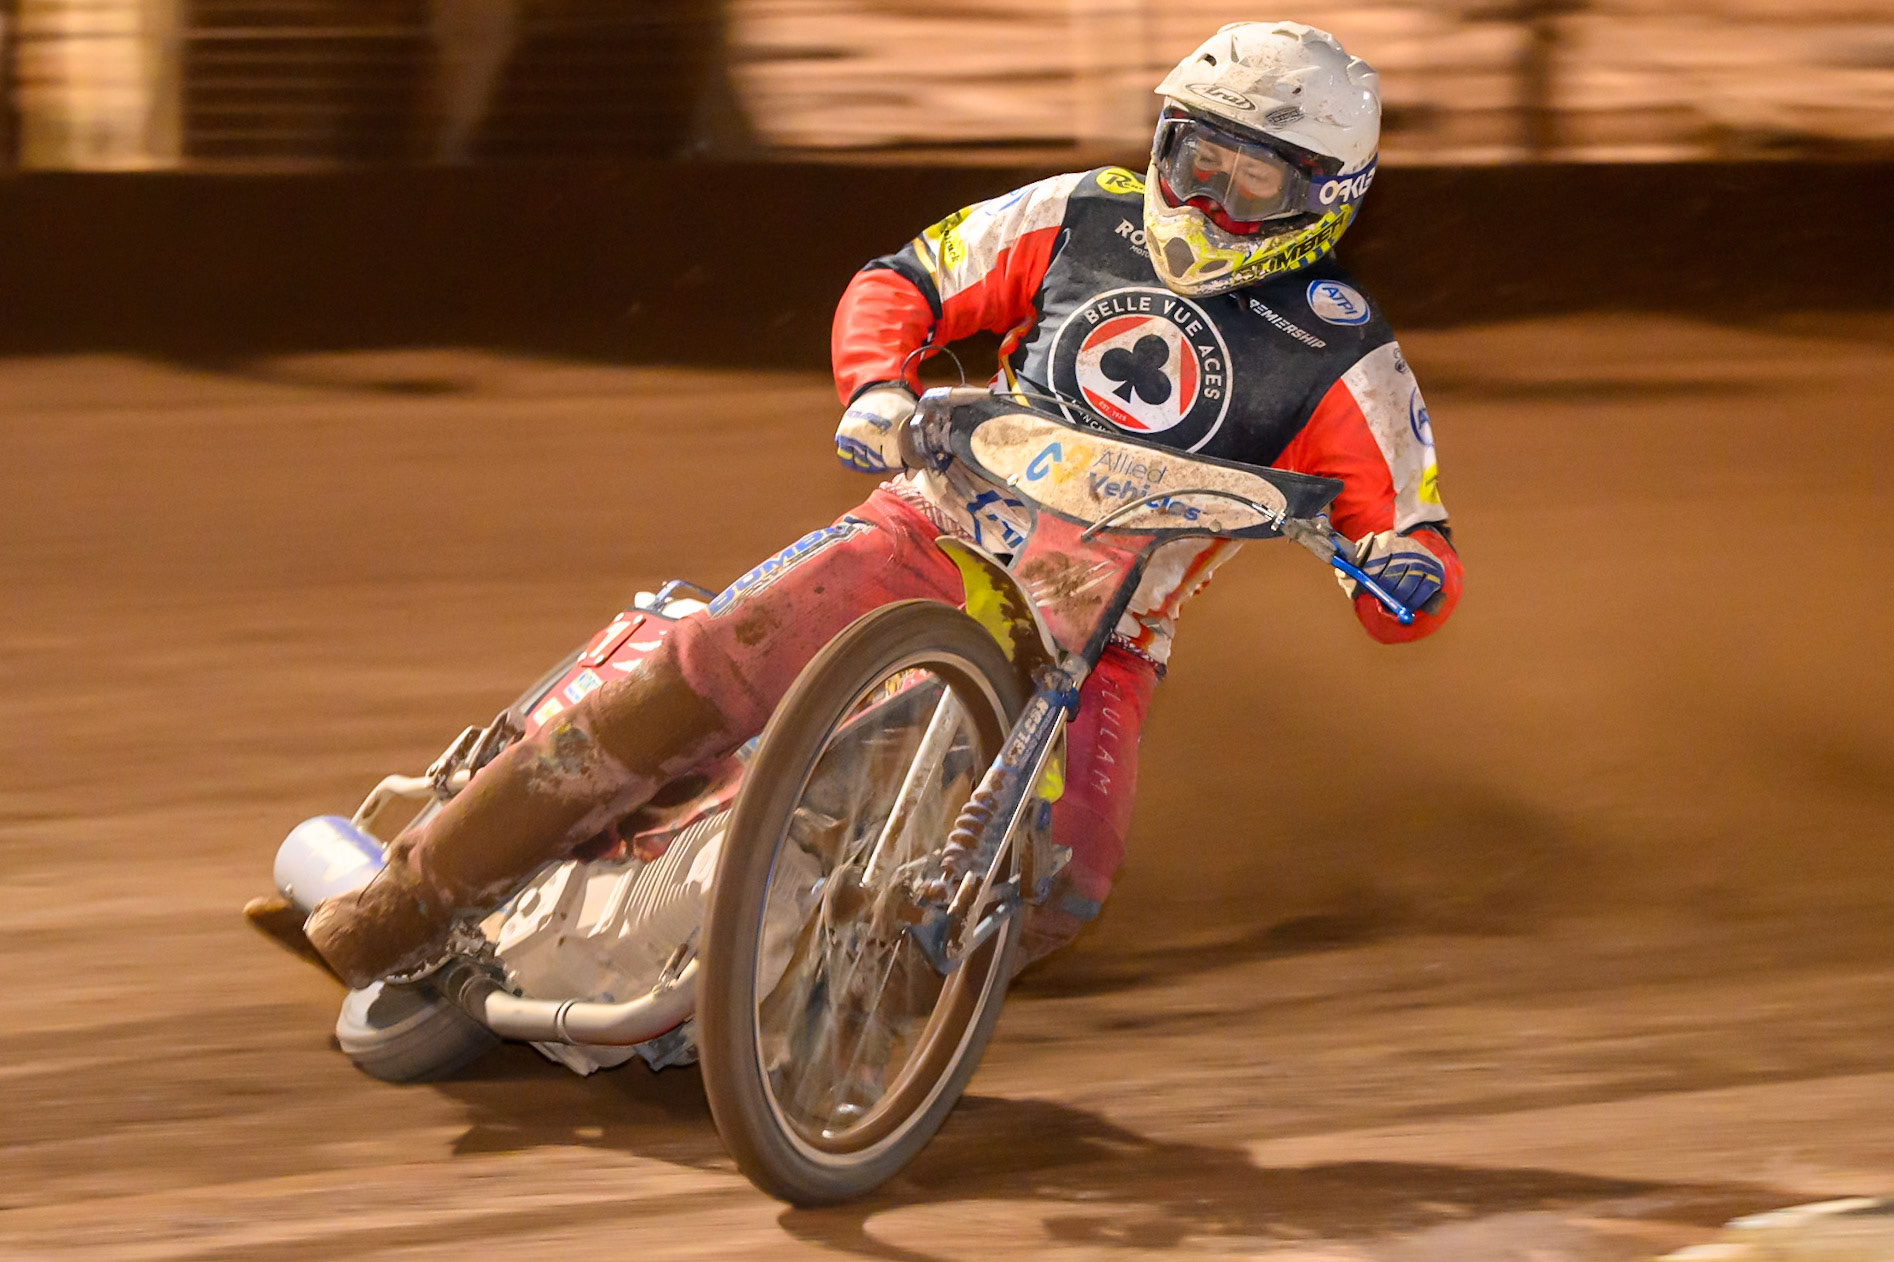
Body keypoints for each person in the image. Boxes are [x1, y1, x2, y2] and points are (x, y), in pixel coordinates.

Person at [294, 20, 1463, 989]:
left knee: (1072, 876)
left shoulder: (1343, 356)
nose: (1202, 193)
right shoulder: (1080, 213)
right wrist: (878, 389)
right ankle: (402, 901)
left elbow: (1407, 527)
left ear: (1324, 194)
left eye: (1247, 172)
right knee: (711, 661)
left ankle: (839, 1019)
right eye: (1190, 153)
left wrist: (1403, 573)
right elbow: (902, 281)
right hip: (932, 527)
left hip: (1102, 638)